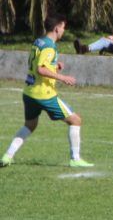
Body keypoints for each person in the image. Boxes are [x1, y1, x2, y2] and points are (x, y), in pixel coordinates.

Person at [2, 14, 92, 168]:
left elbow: (38, 63)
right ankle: (75, 159)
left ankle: (7, 156)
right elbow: (40, 69)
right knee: (76, 120)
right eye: (63, 27)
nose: (64, 31)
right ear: (57, 28)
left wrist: (54, 66)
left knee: (30, 125)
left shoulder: (39, 41)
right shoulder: (50, 46)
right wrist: (62, 77)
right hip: (44, 94)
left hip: (29, 92)